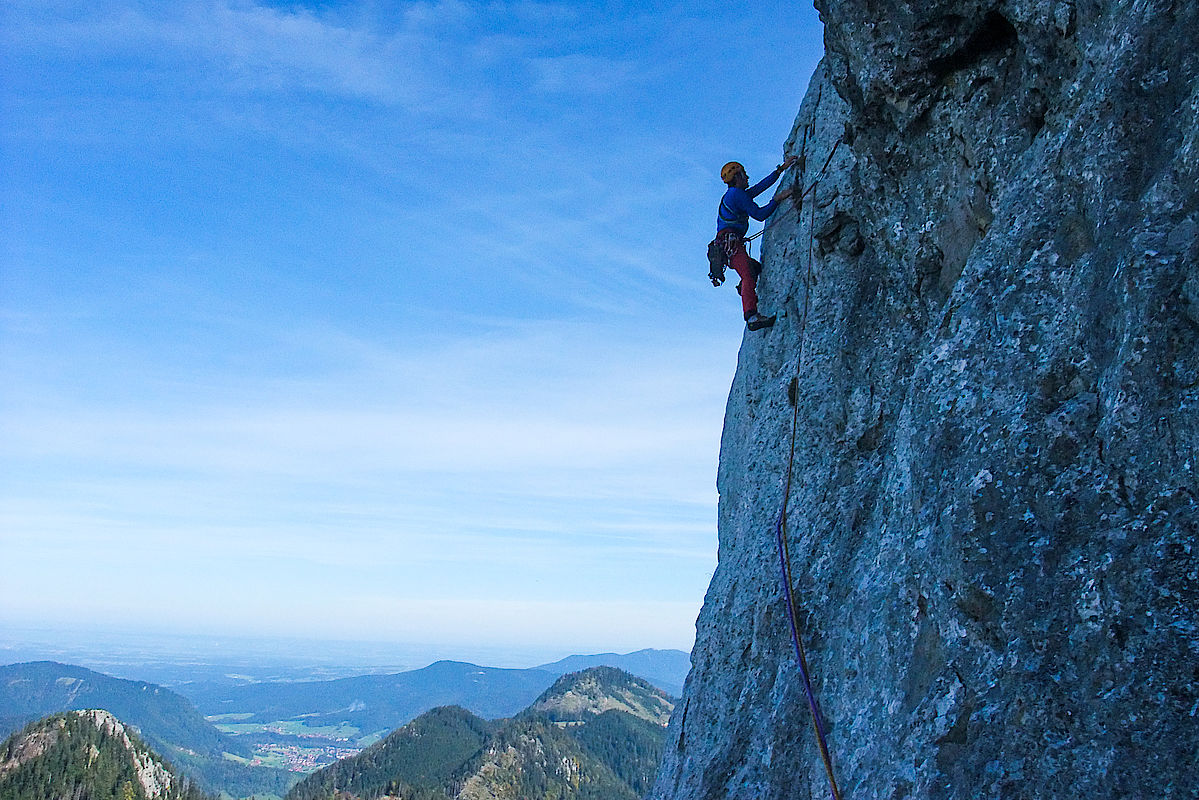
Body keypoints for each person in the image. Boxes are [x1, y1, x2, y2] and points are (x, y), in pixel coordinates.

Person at [715, 157, 798, 330]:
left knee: (754, 269)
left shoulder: (736, 194)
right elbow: (759, 214)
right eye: (744, 174)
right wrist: (777, 200)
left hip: (730, 243)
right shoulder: (736, 195)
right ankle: (751, 317)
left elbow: (760, 187)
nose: (747, 177)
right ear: (737, 177)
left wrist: (780, 169)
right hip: (731, 244)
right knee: (748, 274)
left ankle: (745, 289)